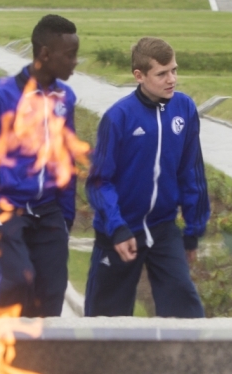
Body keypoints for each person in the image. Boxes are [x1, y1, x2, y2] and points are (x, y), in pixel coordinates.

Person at [0, 14, 81, 317]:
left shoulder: (65, 98)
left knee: (52, 291)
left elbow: (66, 159)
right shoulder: (1, 95)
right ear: (45, 54)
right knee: (16, 282)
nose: (75, 62)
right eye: (69, 55)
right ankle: (3, 340)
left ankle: (44, 348)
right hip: (6, 209)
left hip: (48, 212)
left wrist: (65, 217)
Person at [84, 37, 208, 318]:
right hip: (118, 231)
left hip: (163, 229)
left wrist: (193, 230)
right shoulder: (118, 117)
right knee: (106, 322)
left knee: (186, 312)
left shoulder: (185, 109)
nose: (172, 79)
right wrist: (116, 227)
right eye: (162, 74)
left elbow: (191, 172)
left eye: (174, 70)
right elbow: (99, 182)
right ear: (139, 76)